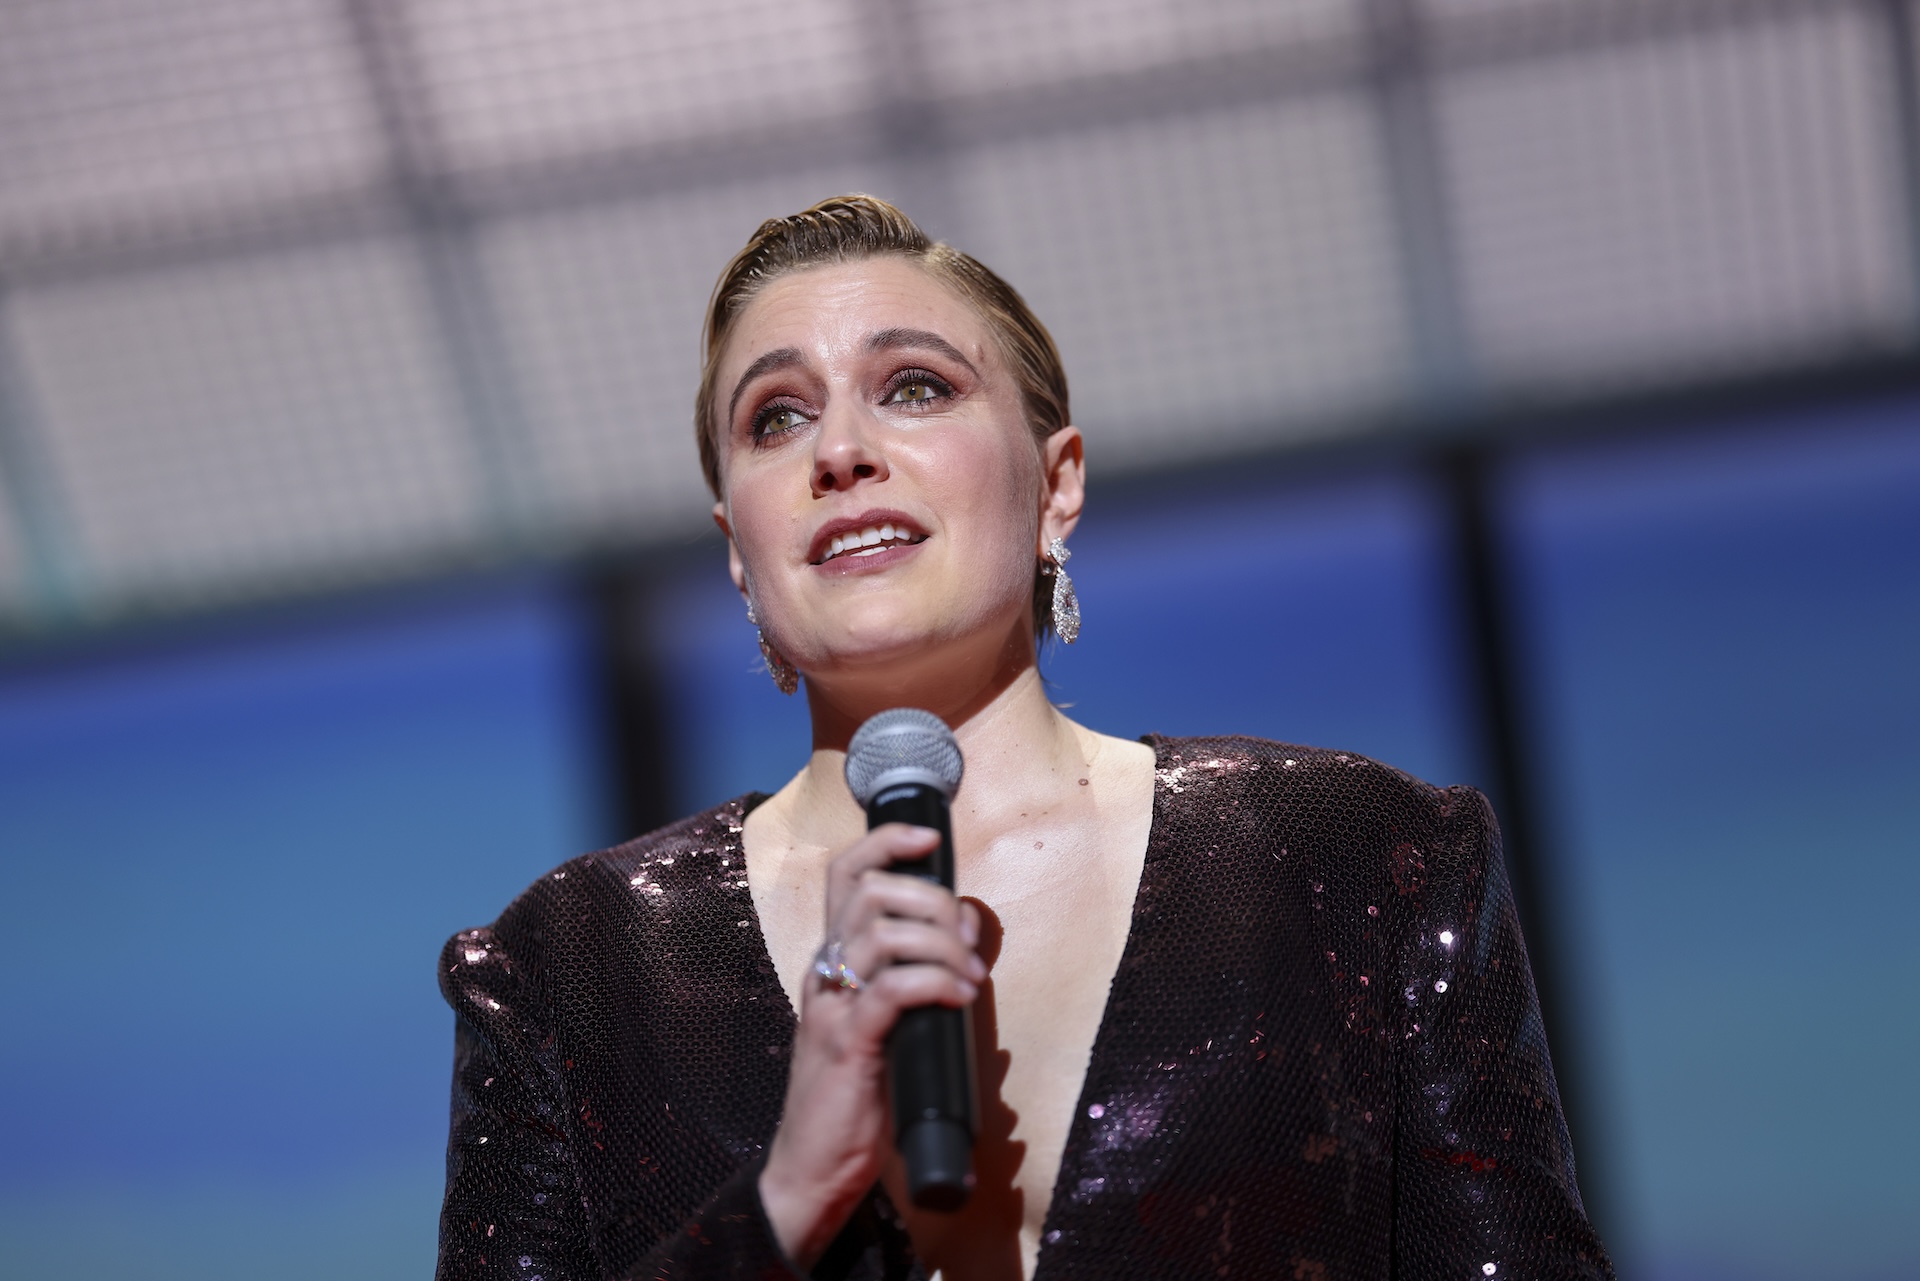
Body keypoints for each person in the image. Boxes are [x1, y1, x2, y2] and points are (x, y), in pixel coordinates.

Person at [435, 195, 1613, 1281]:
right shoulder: (573, 972)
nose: (839, 452)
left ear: (1057, 487)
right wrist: (789, 1198)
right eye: (777, 416)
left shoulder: (1358, 860)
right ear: (738, 552)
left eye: (915, 387)